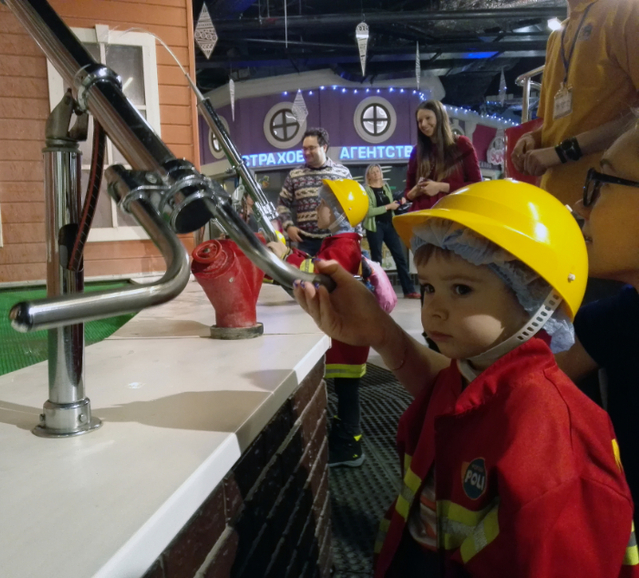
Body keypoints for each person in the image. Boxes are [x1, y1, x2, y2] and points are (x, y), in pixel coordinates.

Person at [291, 180, 638, 576]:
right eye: (428, 287)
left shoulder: (555, 439)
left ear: (539, 296)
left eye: (460, 289)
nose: (434, 310)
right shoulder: (468, 375)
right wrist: (380, 331)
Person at [558, 121, 639, 527]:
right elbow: (502, 389)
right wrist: (385, 334)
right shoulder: (618, 319)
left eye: (601, 183)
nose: (581, 205)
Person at [268, 179, 370, 467]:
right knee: (346, 391)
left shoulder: (344, 246)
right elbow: (316, 263)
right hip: (349, 334)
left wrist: (286, 256)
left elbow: (317, 273)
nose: (317, 208)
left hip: (348, 336)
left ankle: (350, 445)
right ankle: (346, 437)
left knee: (348, 393)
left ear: (340, 212)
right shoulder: (343, 243)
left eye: (324, 204)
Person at [510, 0, 639, 208]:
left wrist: (564, 151)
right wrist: (534, 137)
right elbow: (555, 123)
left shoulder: (627, 11)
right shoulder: (556, 36)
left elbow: (635, 120)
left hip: (606, 202)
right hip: (554, 201)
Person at [277, 127, 352, 255]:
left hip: (336, 239)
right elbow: (282, 204)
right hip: (306, 242)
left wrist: (356, 235)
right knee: (304, 269)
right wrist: (288, 226)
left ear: (324, 147)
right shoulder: (294, 175)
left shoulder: (342, 173)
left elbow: (352, 206)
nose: (306, 152)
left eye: (311, 148)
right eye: (304, 148)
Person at [404, 100, 482, 212]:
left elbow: (476, 185)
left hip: (452, 213)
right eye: (419, 121)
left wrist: (440, 187)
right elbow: (408, 192)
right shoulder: (417, 151)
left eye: (428, 118)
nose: (423, 124)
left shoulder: (461, 144)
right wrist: (414, 192)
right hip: (421, 216)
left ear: (439, 118)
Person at [363, 164, 421, 299]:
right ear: (368, 176)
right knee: (377, 260)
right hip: (375, 227)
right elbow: (369, 211)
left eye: (378, 171)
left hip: (389, 225)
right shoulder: (366, 190)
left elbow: (393, 206)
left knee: (400, 257)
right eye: (373, 172)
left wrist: (399, 203)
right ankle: (378, 292)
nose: (376, 174)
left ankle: (409, 290)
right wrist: (388, 206)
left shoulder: (386, 187)